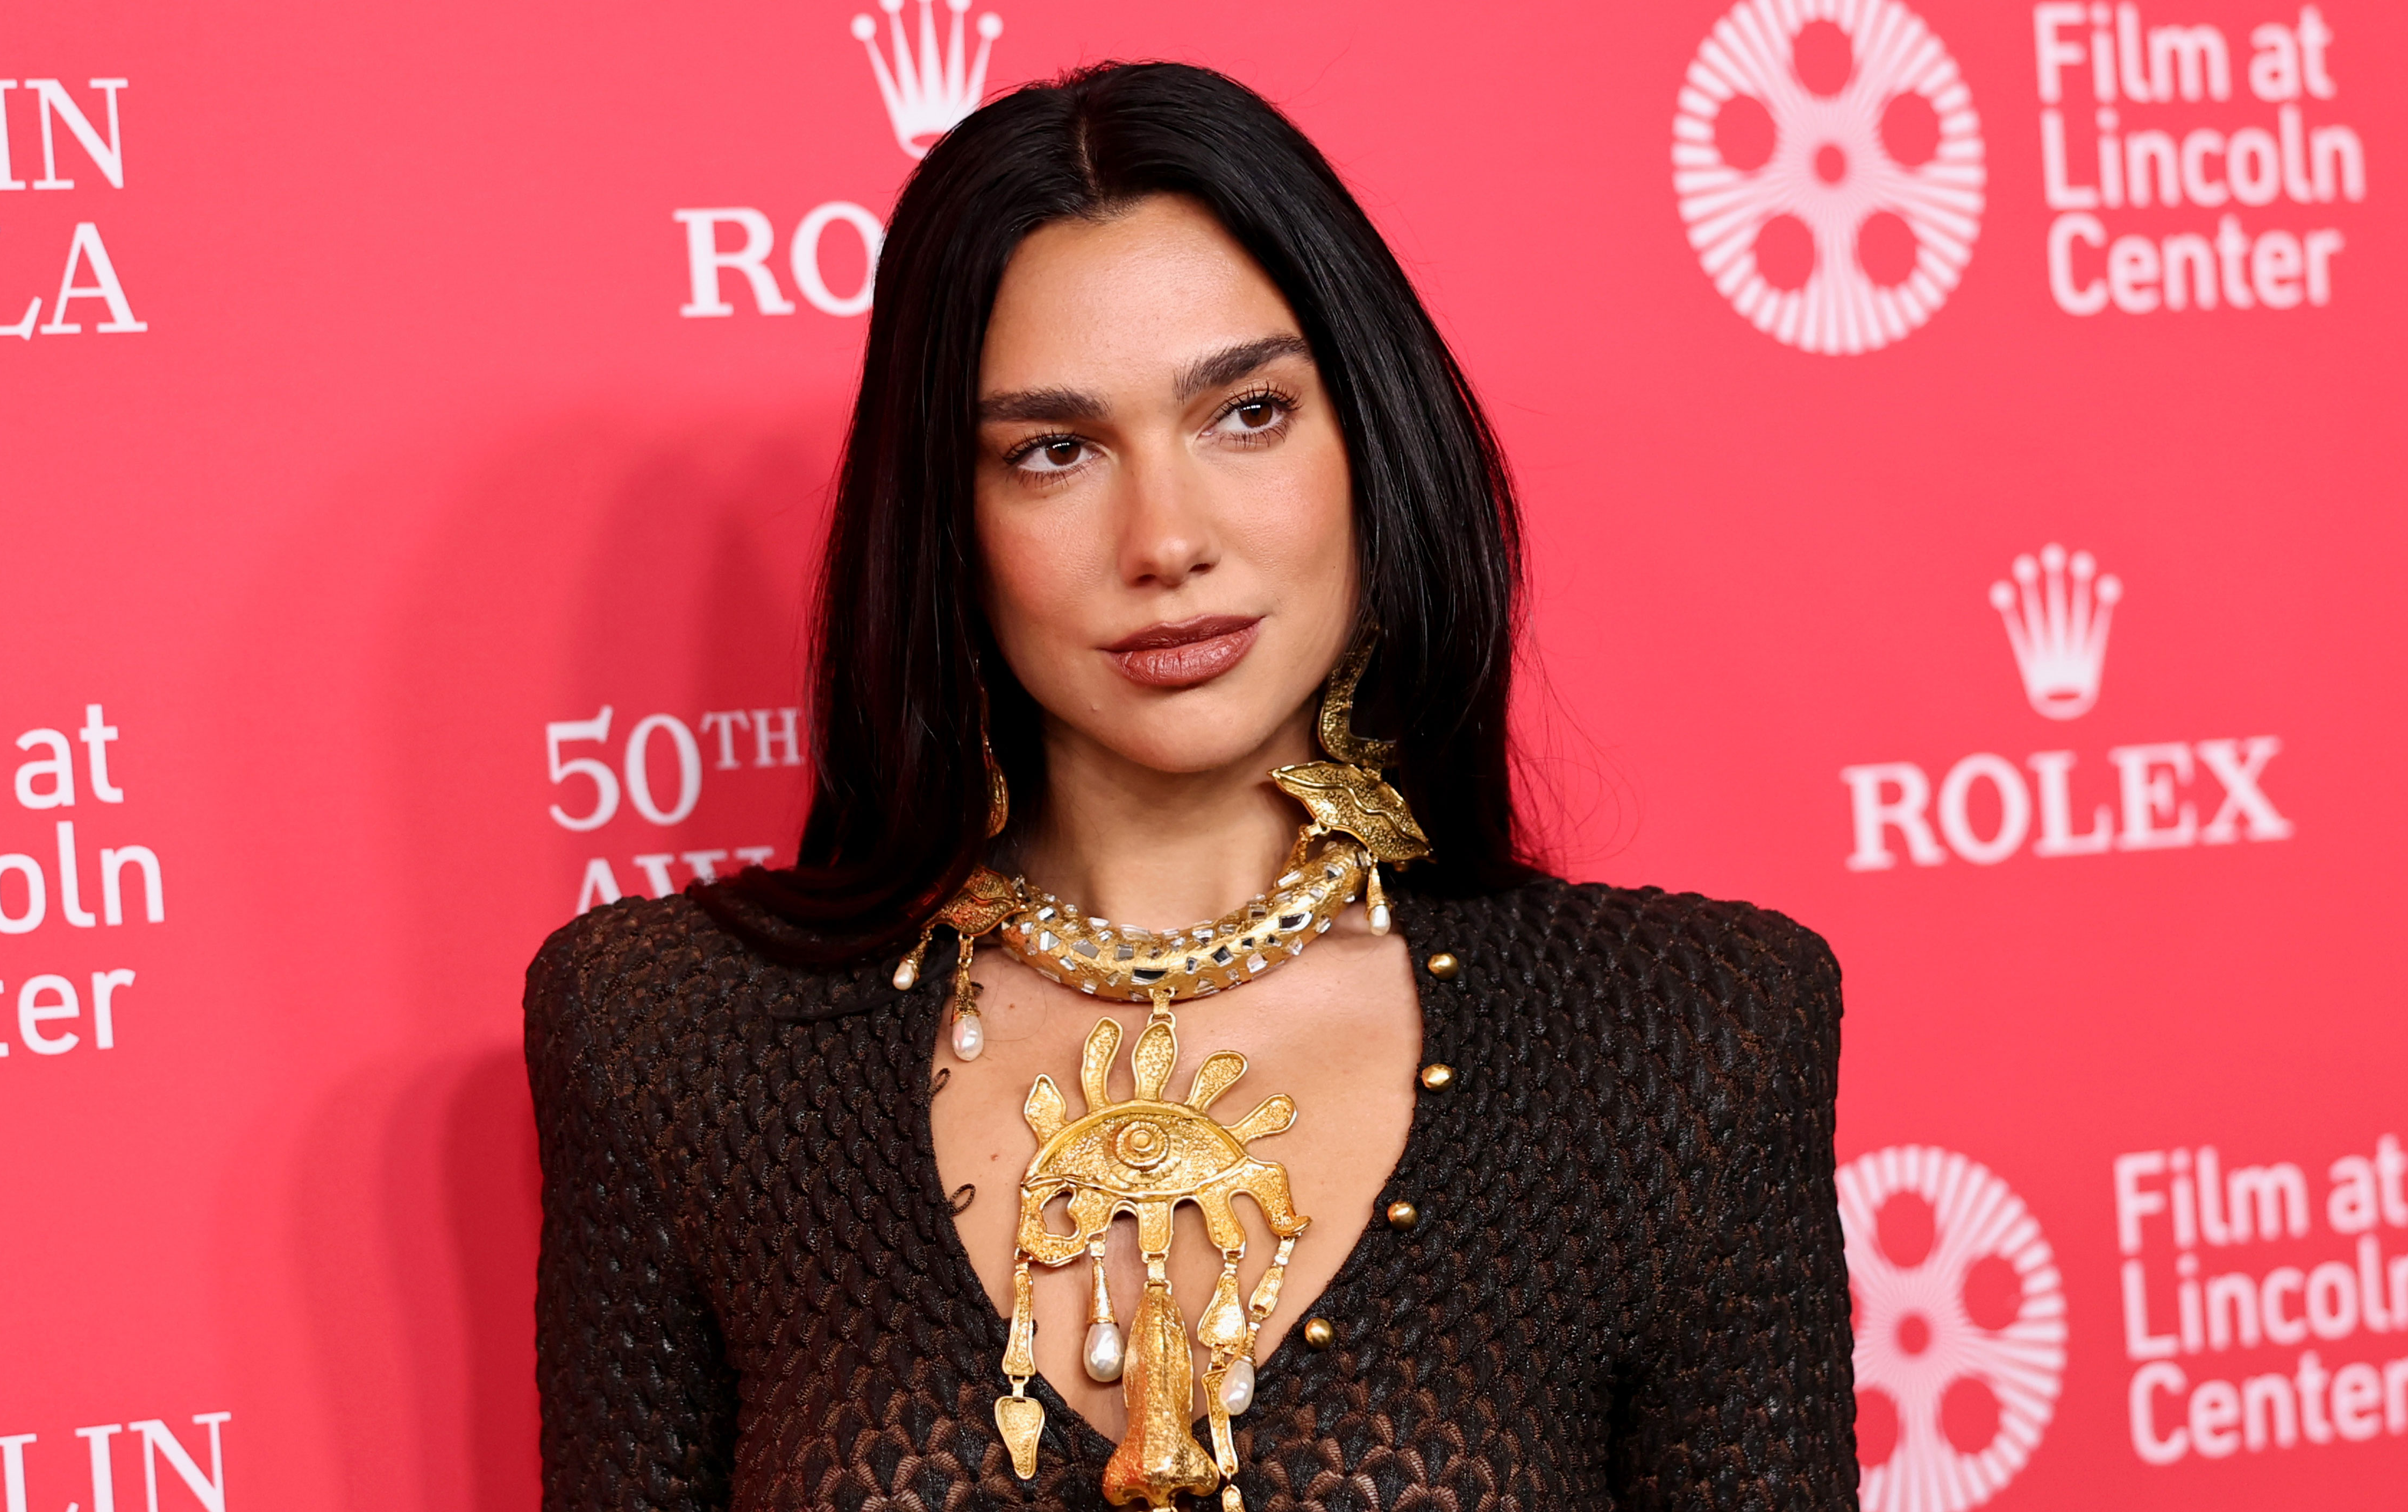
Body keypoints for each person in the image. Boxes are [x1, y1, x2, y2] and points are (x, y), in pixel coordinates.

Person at [526, 60, 1854, 1511]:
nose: (1167, 537)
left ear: (1372, 438)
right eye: (1054, 451)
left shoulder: (1681, 1037)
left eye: (1247, 416)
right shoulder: (682, 1040)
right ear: (947, 519)